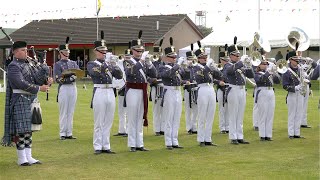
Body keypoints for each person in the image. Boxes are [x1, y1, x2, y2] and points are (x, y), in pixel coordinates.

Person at [2, 41, 52, 166]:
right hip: (19, 99)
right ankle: (21, 158)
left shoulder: (28, 64)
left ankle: (29, 156)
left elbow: (37, 79)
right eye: (23, 50)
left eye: (26, 50)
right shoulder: (13, 66)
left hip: (31, 99)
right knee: (21, 130)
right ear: (15, 52)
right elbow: (20, 83)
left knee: (29, 129)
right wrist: (39, 88)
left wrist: (45, 75)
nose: (26, 52)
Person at [87, 31, 123, 154]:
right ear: (96, 51)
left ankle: (106, 145)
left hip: (110, 91)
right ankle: (97, 145)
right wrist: (106, 65)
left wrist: (115, 65)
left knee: (108, 120)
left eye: (105, 50)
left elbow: (119, 76)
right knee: (99, 120)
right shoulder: (92, 63)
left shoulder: (110, 64)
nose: (104, 53)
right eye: (101, 51)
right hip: (100, 90)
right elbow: (94, 72)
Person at [123, 30, 156, 152]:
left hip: (142, 91)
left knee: (140, 117)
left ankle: (140, 143)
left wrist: (150, 63)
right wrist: (141, 61)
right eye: (137, 51)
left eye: (141, 51)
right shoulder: (128, 61)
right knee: (132, 117)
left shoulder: (144, 62)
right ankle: (132, 143)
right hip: (132, 90)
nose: (139, 53)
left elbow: (154, 74)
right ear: (132, 50)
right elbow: (130, 73)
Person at [191, 41, 223, 147]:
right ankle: (201, 139)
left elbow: (220, 75)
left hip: (210, 88)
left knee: (210, 115)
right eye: (202, 57)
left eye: (205, 56)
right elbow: (201, 77)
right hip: (202, 89)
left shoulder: (208, 66)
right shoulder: (196, 67)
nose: (205, 58)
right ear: (198, 58)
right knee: (202, 115)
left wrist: (214, 68)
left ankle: (208, 138)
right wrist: (208, 68)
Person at [225, 36, 254, 145]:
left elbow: (251, 75)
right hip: (233, 90)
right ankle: (233, 137)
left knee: (240, 114)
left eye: (239, 55)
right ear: (231, 55)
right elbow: (229, 71)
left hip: (242, 91)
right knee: (233, 114)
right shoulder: (228, 65)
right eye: (236, 55)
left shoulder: (240, 65)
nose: (238, 56)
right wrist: (241, 62)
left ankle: (240, 136)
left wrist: (249, 65)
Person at [158, 37, 185, 150]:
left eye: (175, 56)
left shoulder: (176, 67)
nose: (174, 58)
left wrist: (185, 66)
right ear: (166, 57)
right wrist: (177, 65)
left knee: (176, 117)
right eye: (172, 57)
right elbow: (167, 75)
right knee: (169, 117)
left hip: (178, 91)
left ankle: (175, 140)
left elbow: (184, 75)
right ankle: (168, 141)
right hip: (168, 91)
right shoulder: (162, 67)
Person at [53, 37, 79, 140]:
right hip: (64, 88)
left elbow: (78, 72)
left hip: (73, 88)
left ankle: (69, 132)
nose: (67, 53)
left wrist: (73, 77)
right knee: (63, 111)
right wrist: (70, 78)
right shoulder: (58, 64)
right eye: (65, 51)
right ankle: (63, 133)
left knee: (71, 111)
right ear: (61, 53)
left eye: (68, 51)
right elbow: (58, 79)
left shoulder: (73, 63)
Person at [254, 58, 280, 141]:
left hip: (271, 91)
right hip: (262, 91)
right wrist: (268, 73)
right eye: (263, 64)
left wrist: (275, 73)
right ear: (259, 65)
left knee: (270, 114)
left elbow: (278, 81)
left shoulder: (269, 73)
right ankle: (262, 135)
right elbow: (259, 81)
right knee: (263, 114)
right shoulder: (257, 73)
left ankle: (268, 135)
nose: (265, 65)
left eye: (266, 64)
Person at [282, 49, 306, 139]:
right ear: (291, 59)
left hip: (300, 94)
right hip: (292, 94)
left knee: (299, 113)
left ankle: (297, 133)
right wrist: (294, 88)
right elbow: (284, 85)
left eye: (297, 59)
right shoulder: (286, 71)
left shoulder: (300, 69)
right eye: (295, 59)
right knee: (292, 114)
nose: (297, 61)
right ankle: (291, 133)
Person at [113, 43, 130, 137]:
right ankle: (121, 130)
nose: (127, 58)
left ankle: (127, 130)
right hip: (121, 89)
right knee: (121, 111)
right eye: (126, 56)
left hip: (130, 89)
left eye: (129, 56)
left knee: (128, 111)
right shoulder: (119, 64)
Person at [148, 39, 165, 136]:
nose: (159, 55)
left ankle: (162, 128)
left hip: (163, 87)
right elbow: (147, 75)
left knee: (163, 108)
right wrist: (151, 80)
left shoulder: (164, 63)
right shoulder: (151, 64)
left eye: (160, 53)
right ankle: (157, 129)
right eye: (158, 53)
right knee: (156, 109)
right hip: (155, 87)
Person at [183, 44, 198, 135]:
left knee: (196, 108)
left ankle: (194, 126)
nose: (191, 60)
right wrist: (186, 81)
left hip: (195, 89)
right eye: (190, 58)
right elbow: (181, 78)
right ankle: (189, 127)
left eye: (192, 58)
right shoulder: (184, 67)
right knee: (188, 109)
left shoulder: (196, 67)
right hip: (188, 89)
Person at [217, 45, 230, 134]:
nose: (226, 61)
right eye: (224, 59)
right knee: (222, 108)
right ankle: (222, 127)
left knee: (228, 109)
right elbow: (213, 79)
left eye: (226, 59)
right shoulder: (217, 68)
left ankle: (227, 126)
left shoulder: (229, 67)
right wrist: (218, 82)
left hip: (228, 89)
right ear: (221, 60)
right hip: (221, 89)